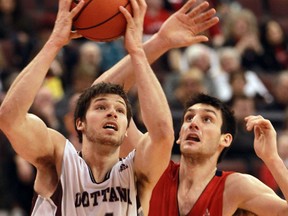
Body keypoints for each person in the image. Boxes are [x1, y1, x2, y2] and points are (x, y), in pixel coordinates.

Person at [0, 0, 176, 215]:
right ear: (79, 123)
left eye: (121, 111)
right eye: (101, 108)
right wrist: (54, 42)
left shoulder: (138, 170)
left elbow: (163, 134)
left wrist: (138, 51)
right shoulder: (58, 159)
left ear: (126, 127)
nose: (112, 112)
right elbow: (9, 118)